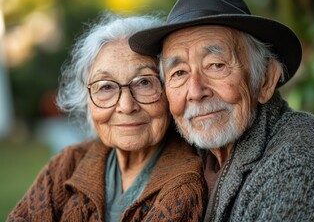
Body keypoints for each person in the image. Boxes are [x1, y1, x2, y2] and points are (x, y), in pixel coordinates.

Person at [129, 0, 314, 221]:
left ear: (265, 79)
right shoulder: (191, 155)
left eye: (216, 65)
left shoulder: (298, 170)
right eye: (179, 73)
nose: (195, 91)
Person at [7, 13, 207, 222]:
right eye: (106, 87)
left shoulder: (185, 183)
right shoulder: (67, 164)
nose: (126, 106)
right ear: (87, 100)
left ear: (170, 90)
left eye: (144, 83)